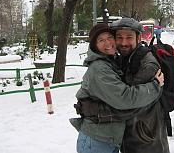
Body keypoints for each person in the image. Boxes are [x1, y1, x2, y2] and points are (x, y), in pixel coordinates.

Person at [70, 23, 164, 153]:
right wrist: (155, 86)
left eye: (109, 37)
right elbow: (124, 98)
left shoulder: (111, 62)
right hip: (96, 141)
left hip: (108, 139)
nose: (107, 43)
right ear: (94, 46)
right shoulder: (100, 69)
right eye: (101, 40)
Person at [111, 18, 170, 153]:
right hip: (133, 135)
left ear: (138, 38)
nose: (123, 42)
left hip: (147, 138)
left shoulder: (147, 64)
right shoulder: (126, 58)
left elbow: (129, 103)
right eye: (119, 37)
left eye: (129, 37)